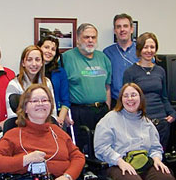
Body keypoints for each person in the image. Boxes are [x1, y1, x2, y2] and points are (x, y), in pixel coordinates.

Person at [62, 23, 112, 151]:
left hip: (101, 110)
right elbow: (60, 89)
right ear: (78, 39)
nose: (90, 40)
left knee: (102, 147)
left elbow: (107, 86)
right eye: (86, 37)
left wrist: (108, 109)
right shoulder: (66, 58)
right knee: (79, 149)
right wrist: (64, 113)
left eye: (93, 37)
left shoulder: (103, 58)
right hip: (78, 112)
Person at [123, 32, 176, 150]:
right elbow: (126, 101)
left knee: (160, 158)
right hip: (141, 122)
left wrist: (172, 114)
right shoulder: (130, 72)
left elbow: (164, 97)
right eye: (145, 47)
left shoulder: (160, 71)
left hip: (162, 122)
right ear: (140, 49)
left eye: (152, 47)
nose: (149, 50)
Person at [5, 45, 57, 119]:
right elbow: (12, 117)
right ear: (23, 63)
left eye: (37, 60)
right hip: (22, 127)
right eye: (29, 60)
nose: (34, 64)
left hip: (45, 126)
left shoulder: (47, 83)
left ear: (42, 63)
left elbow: (52, 112)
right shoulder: (14, 85)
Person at [103, 13, 138, 108]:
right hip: (116, 102)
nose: (122, 29)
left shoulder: (141, 50)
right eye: (118, 27)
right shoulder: (107, 53)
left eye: (125, 26)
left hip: (137, 102)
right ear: (115, 31)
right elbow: (106, 84)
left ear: (131, 29)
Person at [37, 36, 71, 127]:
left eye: (53, 49)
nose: (49, 51)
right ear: (39, 48)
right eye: (46, 47)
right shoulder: (32, 70)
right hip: (35, 119)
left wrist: (60, 119)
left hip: (55, 118)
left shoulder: (60, 72)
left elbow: (65, 100)